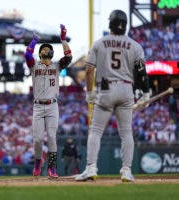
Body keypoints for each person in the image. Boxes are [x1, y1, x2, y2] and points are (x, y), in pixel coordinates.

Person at [74, 10, 149, 182]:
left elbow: (89, 69)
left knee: (96, 131)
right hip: (126, 89)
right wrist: (145, 93)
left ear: (110, 24)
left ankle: (91, 168)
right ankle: (126, 171)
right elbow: (141, 72)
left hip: (106, 89)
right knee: (126, 133)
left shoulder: (100, 43)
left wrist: (90, 92)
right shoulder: (135, 45)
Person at [25, 24, 72, 178]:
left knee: (52, 136)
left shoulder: (57, 65)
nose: (44, 50)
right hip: (38, 107)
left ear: (51, 52)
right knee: (38, 139)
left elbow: (69, 57)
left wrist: (63, 40)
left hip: (52, 105)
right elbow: (27, 55)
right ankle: (38, 161)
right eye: (42, 49)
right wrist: (34, 41)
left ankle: (52, 168)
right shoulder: (34, 66)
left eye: (47, 48)